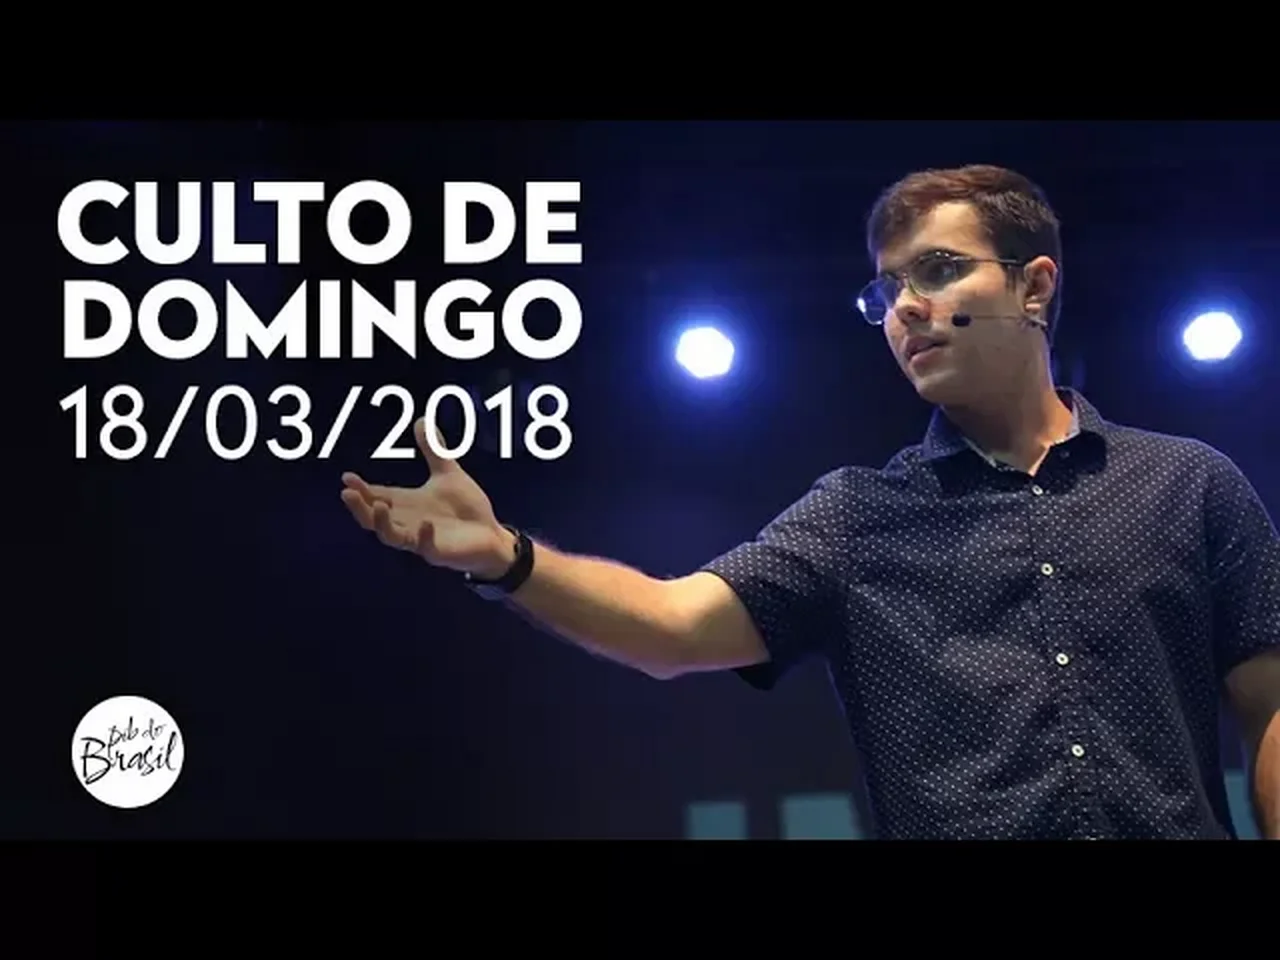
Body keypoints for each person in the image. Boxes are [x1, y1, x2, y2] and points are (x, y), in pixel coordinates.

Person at [340, 164, 1279, 840]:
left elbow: (1271, 711)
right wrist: (508, 558)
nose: (904, 307)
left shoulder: (1188, 483)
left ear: (1034, 285)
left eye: (939, 270)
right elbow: (671, 627)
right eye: (887, 289)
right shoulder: (856, 518)